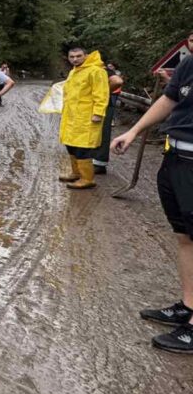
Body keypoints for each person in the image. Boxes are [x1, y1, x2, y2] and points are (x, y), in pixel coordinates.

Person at [112, 53, 193, 354]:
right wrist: (133, 131)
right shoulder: (189, 63)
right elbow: (169, 100)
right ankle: (187, 306)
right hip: (177, 158)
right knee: (184, 236)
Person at [58, 46, 110, 189]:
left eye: (78, 56)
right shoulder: (74, 71)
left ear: (86, 56)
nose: (75, 59)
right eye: (72, 57)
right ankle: (76, 173)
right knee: (71, 145)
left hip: (86, 117)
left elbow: (102, 94)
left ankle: (87, 179)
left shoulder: (96, 71)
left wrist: (98, 113)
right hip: (71, 116)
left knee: (82, 148)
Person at [92, 62, 125, 175]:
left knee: (101, 132)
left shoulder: (100, 69)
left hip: (104, 104)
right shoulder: (94, 69)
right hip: (101, 103)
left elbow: (118, 81)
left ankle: (99, 163)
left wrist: (104, 92)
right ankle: (92, 161)